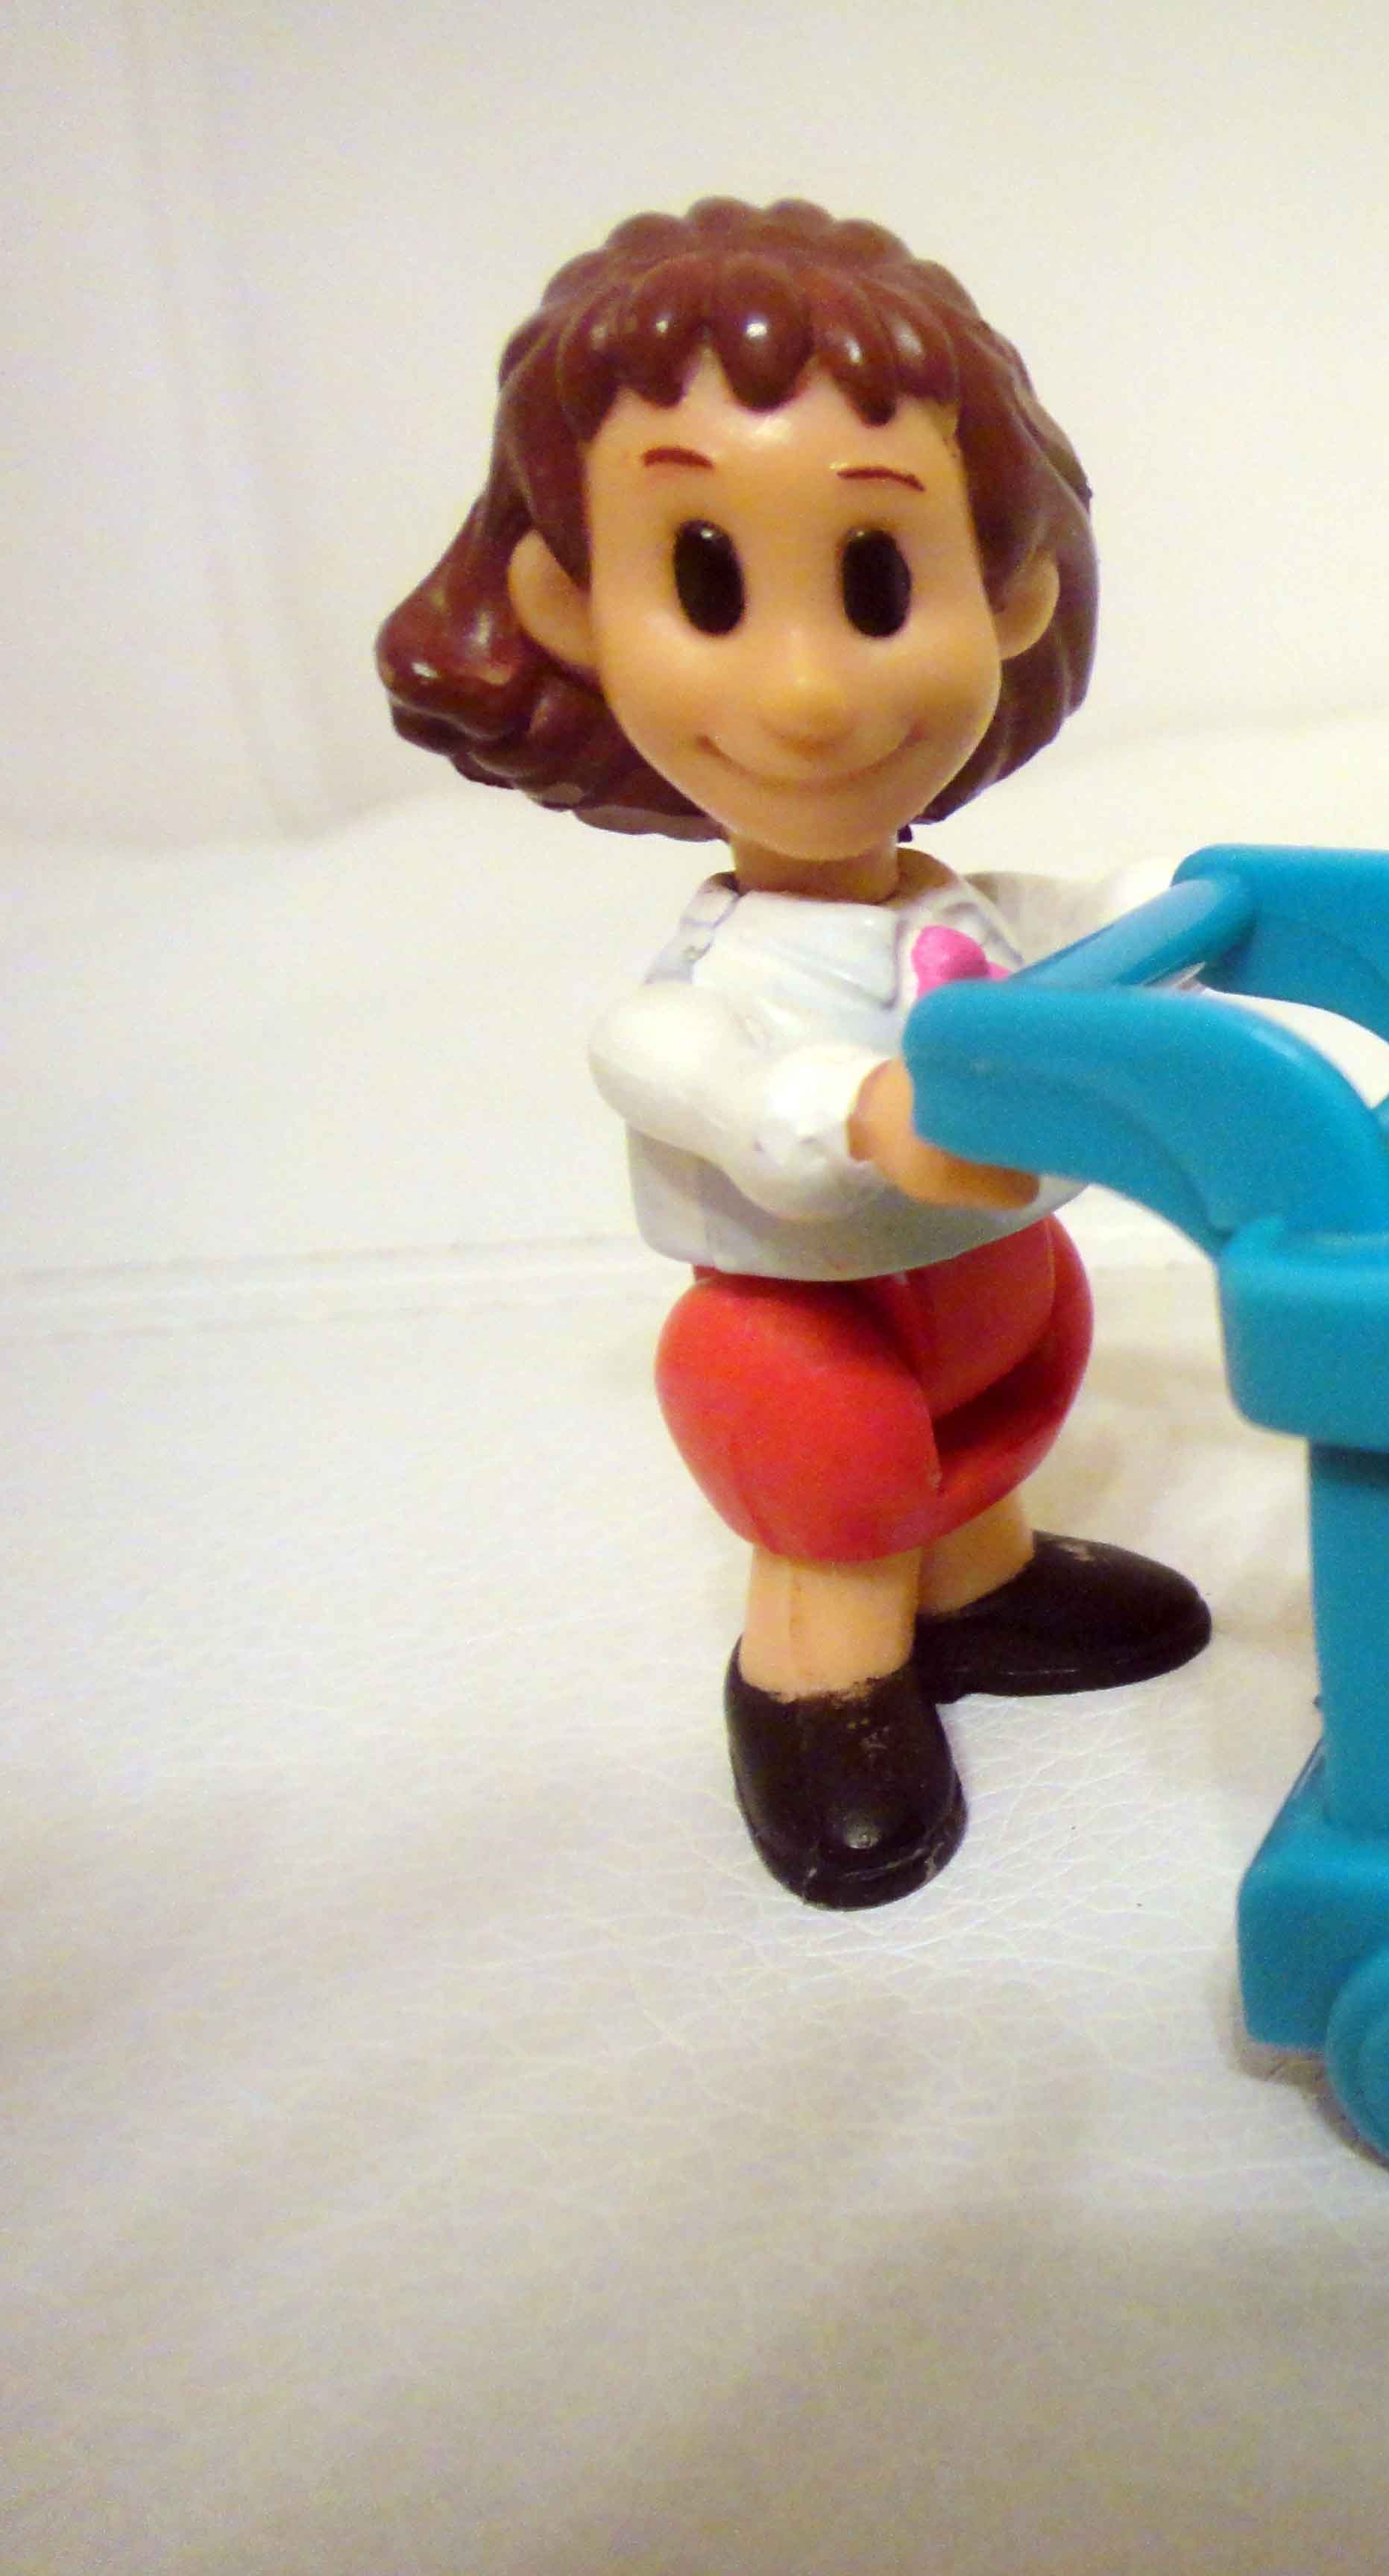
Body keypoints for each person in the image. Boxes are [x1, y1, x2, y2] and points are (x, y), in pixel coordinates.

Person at [379, 197, 1205, 1909]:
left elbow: (1090, 916)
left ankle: (977, 1585)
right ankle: (820, 1682)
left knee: (984, 1436)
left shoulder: (958, 901)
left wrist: (1196, 908)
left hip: (987, 1281)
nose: (812, 692)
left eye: (879, 581)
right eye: (708, 583)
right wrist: (858, 1111)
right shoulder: (704, 983)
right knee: (836, 1510)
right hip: (806, 1331)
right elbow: (713, 1083)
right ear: (569, 608)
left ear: (1010, 593)